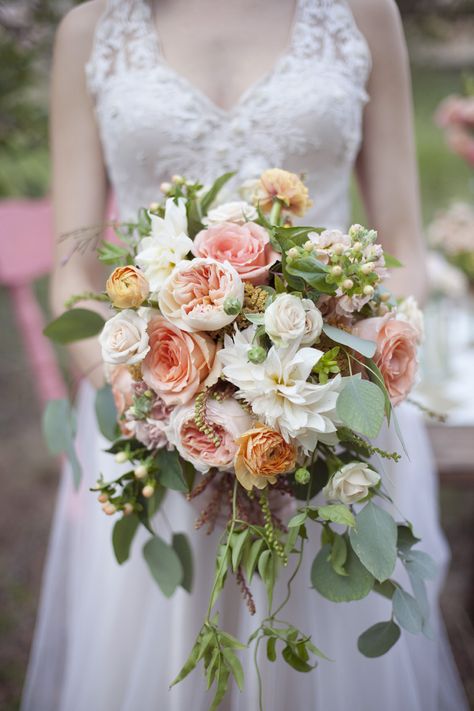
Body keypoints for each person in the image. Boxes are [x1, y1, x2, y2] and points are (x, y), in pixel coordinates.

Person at [21, 1, 468, 709]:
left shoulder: (361, 14)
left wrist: (338, 363)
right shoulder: (93, 29)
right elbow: (72, 276)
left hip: (324, 412)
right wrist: (142, 390)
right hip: (156, 424)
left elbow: (405, 248)